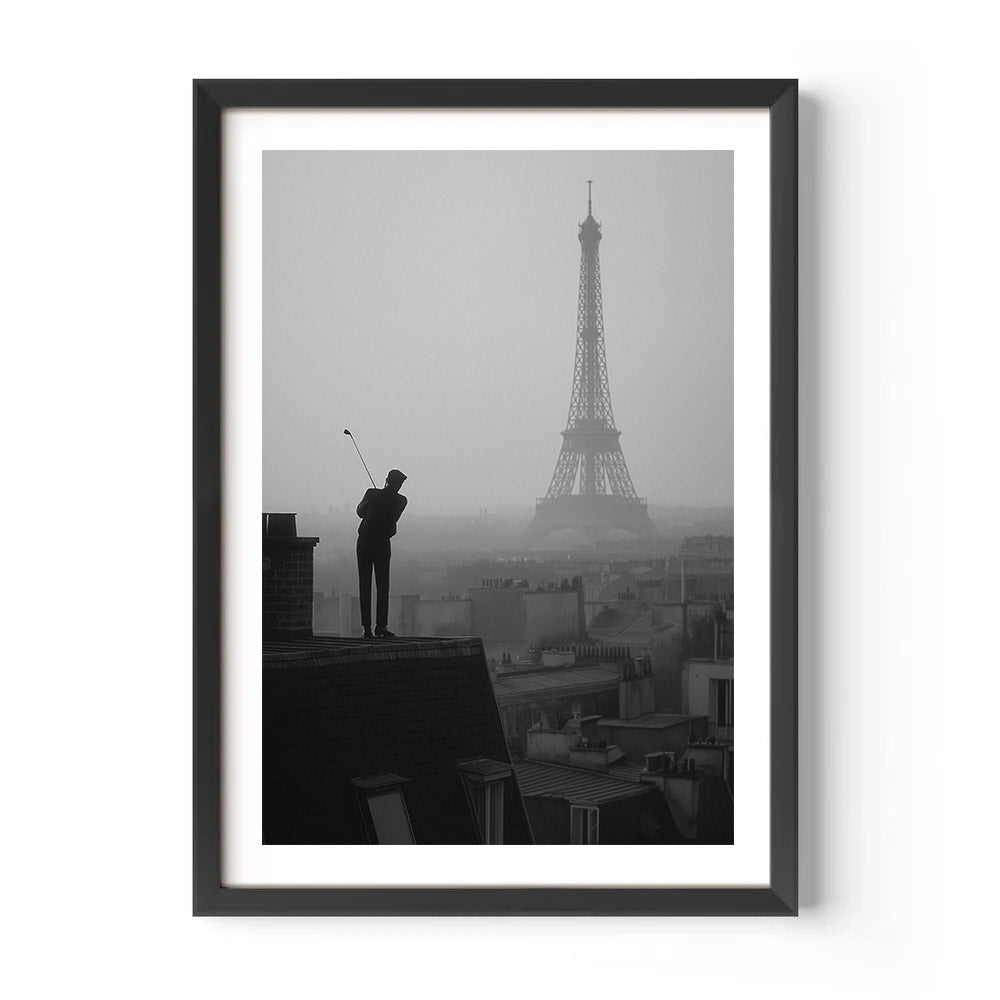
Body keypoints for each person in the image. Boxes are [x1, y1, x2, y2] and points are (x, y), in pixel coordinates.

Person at [356, 469, 408, 639]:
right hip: (383, 543)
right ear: (399, 484)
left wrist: (373, 501)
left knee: (365, 584)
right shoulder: (401, 501)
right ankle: (381, 625)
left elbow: (360, 512)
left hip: (365, 541)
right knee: (383, 584)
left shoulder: (372, 494)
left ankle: (367, 628)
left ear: (387, 480)